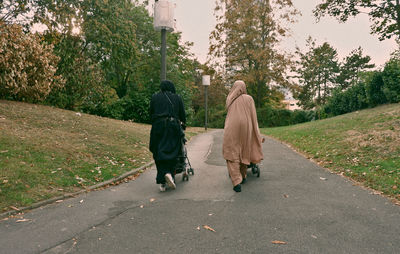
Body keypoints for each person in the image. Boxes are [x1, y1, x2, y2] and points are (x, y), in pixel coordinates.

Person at [223, 80, 264, 192]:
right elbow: (253, 117)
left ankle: (236, 181)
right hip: (246, 127)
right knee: (245, 149)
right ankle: (244, 175)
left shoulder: (229, 98)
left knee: (232, 152)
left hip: (231, 126)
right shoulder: (249, 98)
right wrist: (257, 134)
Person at [149, 80, 186, 192]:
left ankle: (162, 179)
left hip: (158, 127)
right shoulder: (177, 97)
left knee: (158, 151)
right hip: (172, 127)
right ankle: (169, 174)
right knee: (173, 151)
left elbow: (151, 113)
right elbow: (182, 114)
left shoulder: (155, 97)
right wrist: (183, 125)